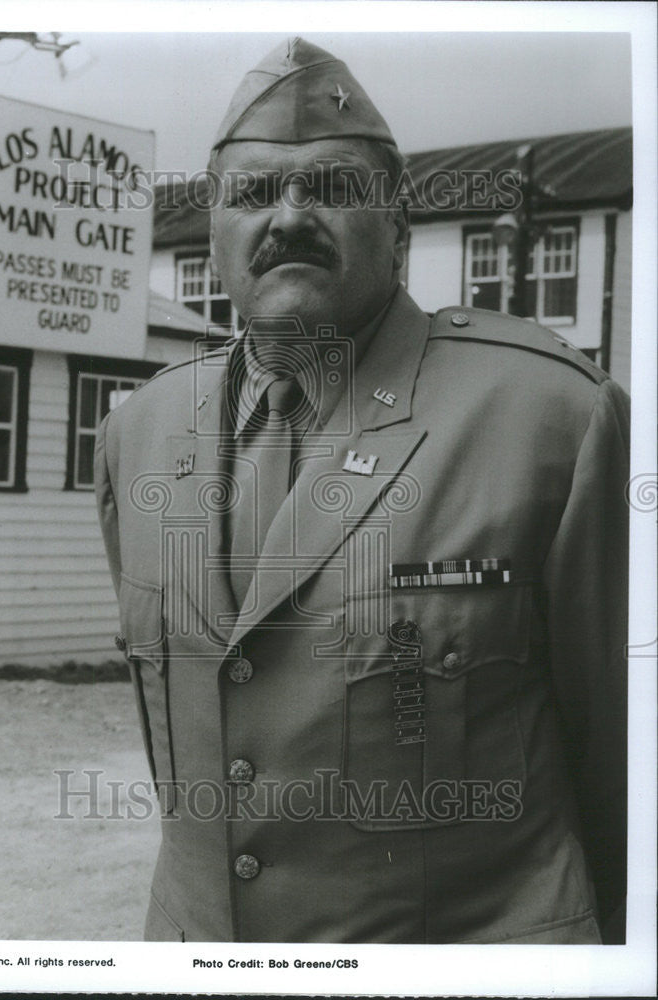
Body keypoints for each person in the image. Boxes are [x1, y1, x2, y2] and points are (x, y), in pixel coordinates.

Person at [95, 37, 629, 944]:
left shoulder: (550, 421)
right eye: (254, 194)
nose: (290, 218)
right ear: (214, 230)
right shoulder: (138, 436)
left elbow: (623, 769)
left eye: (334, 188)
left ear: (397, 226)